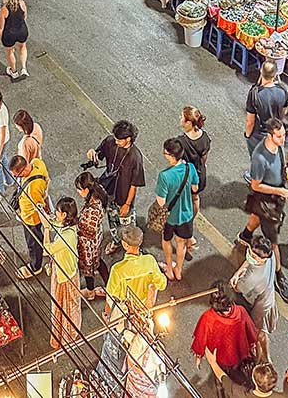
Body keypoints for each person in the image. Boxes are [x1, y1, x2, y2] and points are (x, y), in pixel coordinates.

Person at [240, 118, 288, 302]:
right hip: (267, 203)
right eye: (279, 136)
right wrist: (278, 190)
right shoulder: (259, 157)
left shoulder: (278, 148)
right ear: (270, 135)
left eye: (284, 135)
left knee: (256, 216)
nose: (283, 139)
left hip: (274, 200)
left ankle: (245, 235)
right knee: (274, 241)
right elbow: (255, 185)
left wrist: (286, 173)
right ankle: (279, 276)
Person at [87, 119, 146, 250]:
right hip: (108, 191)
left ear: (128, 139)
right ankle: (116, 241)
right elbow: (99, 155)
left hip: (123, 197)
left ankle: (132, 247)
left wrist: (127, 204)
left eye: (119, 139)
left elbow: (134, 184)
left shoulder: (135, 158)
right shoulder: (110, 142)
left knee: (127, 224)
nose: (116, 141)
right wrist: (93, 154)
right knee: (112, 218)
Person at [191, 284, 258, 396]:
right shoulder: (240, 311)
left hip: (219, 358)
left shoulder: (208, 318)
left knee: (220, 379)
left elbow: (201, 338)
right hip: (238, 355)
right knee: (238, 380)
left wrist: (199, 355)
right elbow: (251, 332)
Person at [154, 138, 198, 281]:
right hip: (186, 215)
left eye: (165, 153)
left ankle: (169, 269)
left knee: (167, 241)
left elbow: (161, 202)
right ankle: (178, 270)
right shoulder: (189, 168)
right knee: (181, 243)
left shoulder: (165, 176)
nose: (164, 155)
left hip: (170, 217)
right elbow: (195, 188)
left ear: (172, 156)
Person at [103, 225, 167, 321]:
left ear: (125, 245)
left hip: (125, 313)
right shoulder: (150, 261)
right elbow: (162, 284)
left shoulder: (117, 269)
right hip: (144, 310)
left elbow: (110, 297)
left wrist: (107, 315)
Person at [42, 197, 82, 349]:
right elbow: (55, 224)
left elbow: (47, 249)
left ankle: (65, 336)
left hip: (64, 276)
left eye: (58, 212)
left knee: (63, 307)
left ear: (64, 215)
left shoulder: (66, 236)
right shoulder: (69, 227)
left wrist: (46, 230)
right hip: (67, 271)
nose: (56, 214)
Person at [229, 233, 278, 352]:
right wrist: (238, 273)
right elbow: (249, 261)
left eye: (253, 256)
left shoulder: (253, 277)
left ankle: (257, 352)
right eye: (249, 251)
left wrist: (234, 281)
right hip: (268, 295)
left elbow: (237, 288)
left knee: (257, 329)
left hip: (261, 304)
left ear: (261, 259)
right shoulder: (270, 255)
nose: (249, 255)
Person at [9, 153, 50, 277]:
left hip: (31, 219)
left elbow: (39, 207)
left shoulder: (33, 188)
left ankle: (35, 267)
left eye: (17, 175)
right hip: (27, 214)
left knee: (33, 242)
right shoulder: (37, 162)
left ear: (24, 169)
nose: (16, 177)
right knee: (35, 240)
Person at [177, 106, 210, 251]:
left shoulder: (181, 142)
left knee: (183, 203)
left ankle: (186, 232)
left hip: (187, 178)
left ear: (189, 122)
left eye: (182, 118)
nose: (180, 119)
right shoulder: (204, 137)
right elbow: (204, 158)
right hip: (200, 174)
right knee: (195, 199)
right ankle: (191, 221)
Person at [74, 172, 108, 299]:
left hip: (88, 243)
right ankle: (109, 286)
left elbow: (88, 230)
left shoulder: (93, 208)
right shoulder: (97, 192)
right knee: (98, 261)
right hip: (96, 239)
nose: (78, 192)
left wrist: (74, 222)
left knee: (87, 267)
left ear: (86, 189)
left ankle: (90, 291)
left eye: (79, 189)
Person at [245, 62, 288, 154]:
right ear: (274, 75)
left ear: (261, 71)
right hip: (275, 132)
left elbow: (250, 121)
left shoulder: (255, 94)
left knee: (257, 158)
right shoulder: (283, 90)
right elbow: (284, 112)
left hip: (259, 133)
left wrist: (247, 135)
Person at [0, 0, 29, 80]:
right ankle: (23, 68)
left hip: (9, 34)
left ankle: (13, 71)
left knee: (10, 51)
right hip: (22, 30)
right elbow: (24, 17)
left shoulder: (4, 9)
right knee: (22, 47)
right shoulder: (22, 4)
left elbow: (0, 27)